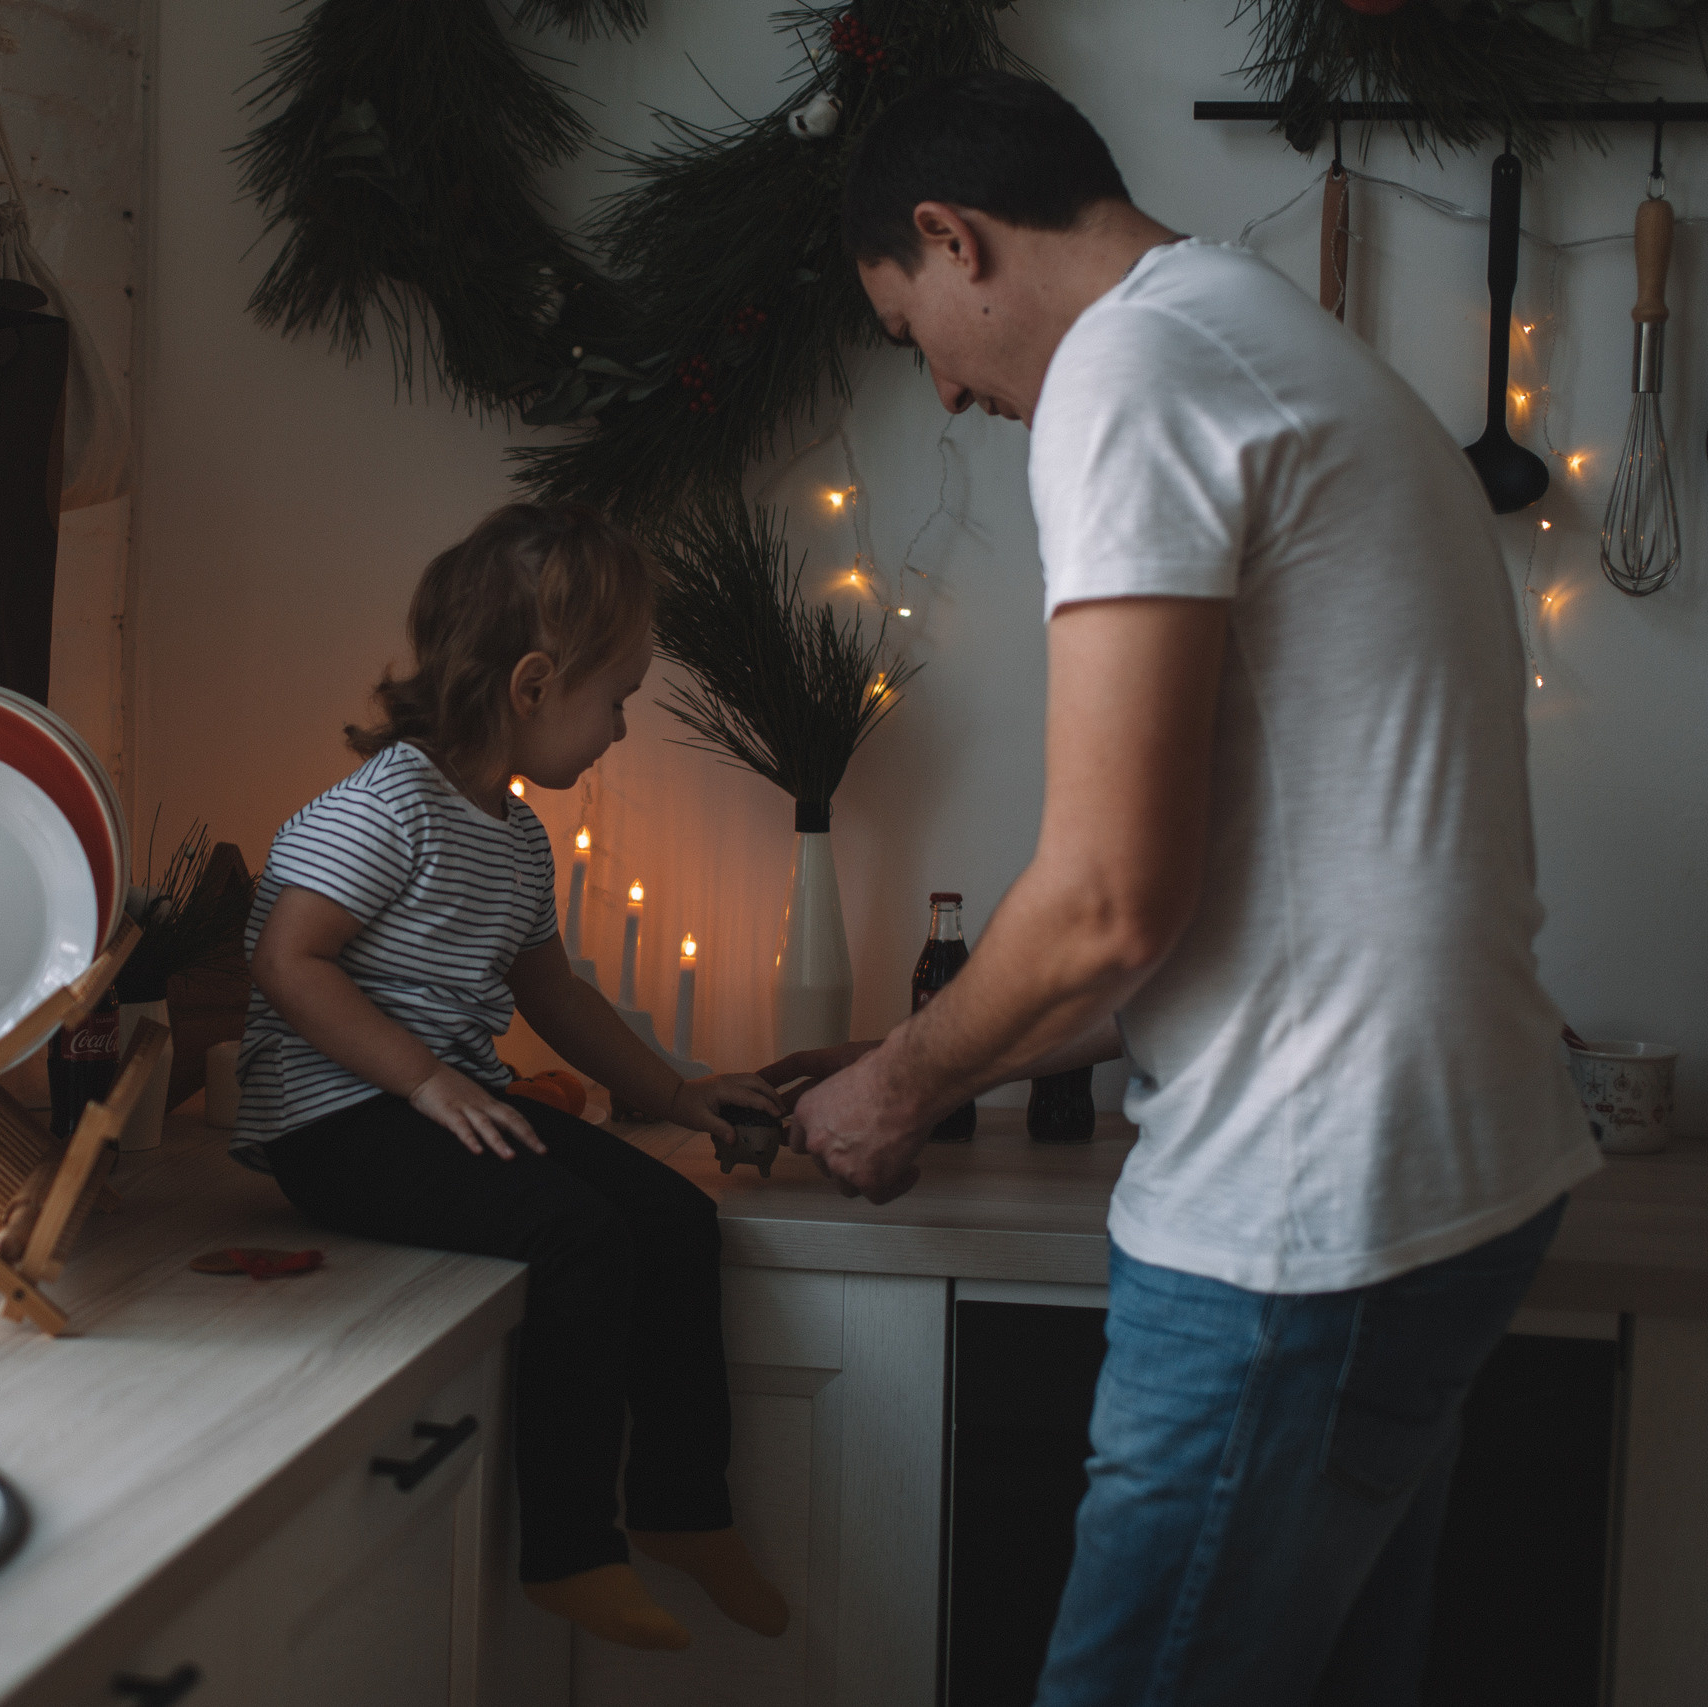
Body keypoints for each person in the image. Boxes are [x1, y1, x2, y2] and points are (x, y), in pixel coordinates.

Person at [775, 72, 1599, 1706]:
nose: (938, 391)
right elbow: (1272, 883)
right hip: (1449, 1174)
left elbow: (1105, 899)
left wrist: (901, 1083)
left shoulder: (1132, 370)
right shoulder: (1264, 335)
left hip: (1299, 1216)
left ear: (955, 240)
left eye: (907, 326)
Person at [237, 502, 790, 1652]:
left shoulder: (515, 835)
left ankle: (686, 1510)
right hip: (341, 1120)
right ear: (534, 686)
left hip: (437, 1104)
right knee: (579, 1238)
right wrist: (427, 1082)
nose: (623, 730)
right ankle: (571, 1550)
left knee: (677, 1221)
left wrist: (681, 1093)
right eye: (618, 699)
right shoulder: (388, 807)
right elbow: (289, 962)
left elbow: (558, 995)